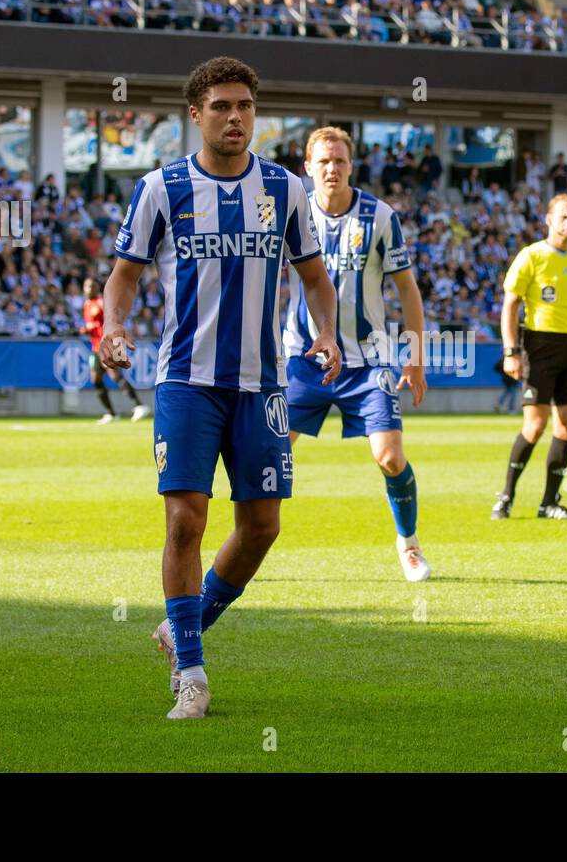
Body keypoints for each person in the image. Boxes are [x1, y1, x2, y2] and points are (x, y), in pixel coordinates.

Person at [98, 56, 343, 719]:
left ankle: (184, 623)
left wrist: (327, 331)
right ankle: (193, 674)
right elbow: (123, 274)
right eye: (221, 107)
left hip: (262, 384)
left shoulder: (286, 190)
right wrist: (114, 325)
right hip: (186, 380)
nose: (235, 118)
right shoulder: (162, 187)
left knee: (261, 525)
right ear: (195, 114)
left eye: (244, 106)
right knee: (185, 517)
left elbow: (316, 278)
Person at [284, 126, 432, 582]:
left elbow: (408, 289)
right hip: (301, 360)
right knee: (269, 458)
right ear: (307, 167)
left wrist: (415, 354)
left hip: (368, 362)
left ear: (352, 165)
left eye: (340, 161)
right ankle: (245, 550)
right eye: (323, 161)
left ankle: (407, 545)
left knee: (389, 457)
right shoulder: (291, 213)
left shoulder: (380, 216)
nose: (332, 168)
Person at [493, 193, 567, 521]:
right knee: (535, 424)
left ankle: (549, 502)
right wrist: (511, 352)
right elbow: (510, 306)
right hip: (539, 344)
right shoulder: (531, 256)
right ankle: (506, 496)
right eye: (564, 216)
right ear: (549, 219)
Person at [82, 278, 147, 423]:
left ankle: (139, 405)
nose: (88, 289)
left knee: (114, 375)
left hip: (107, 344)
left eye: (91, 286)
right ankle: (111, 413)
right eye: (86, 286)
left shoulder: (101, 303)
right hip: (95, 347)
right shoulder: (87, 305)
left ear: (97, 288)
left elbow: (111, 318)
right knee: (96, 379)